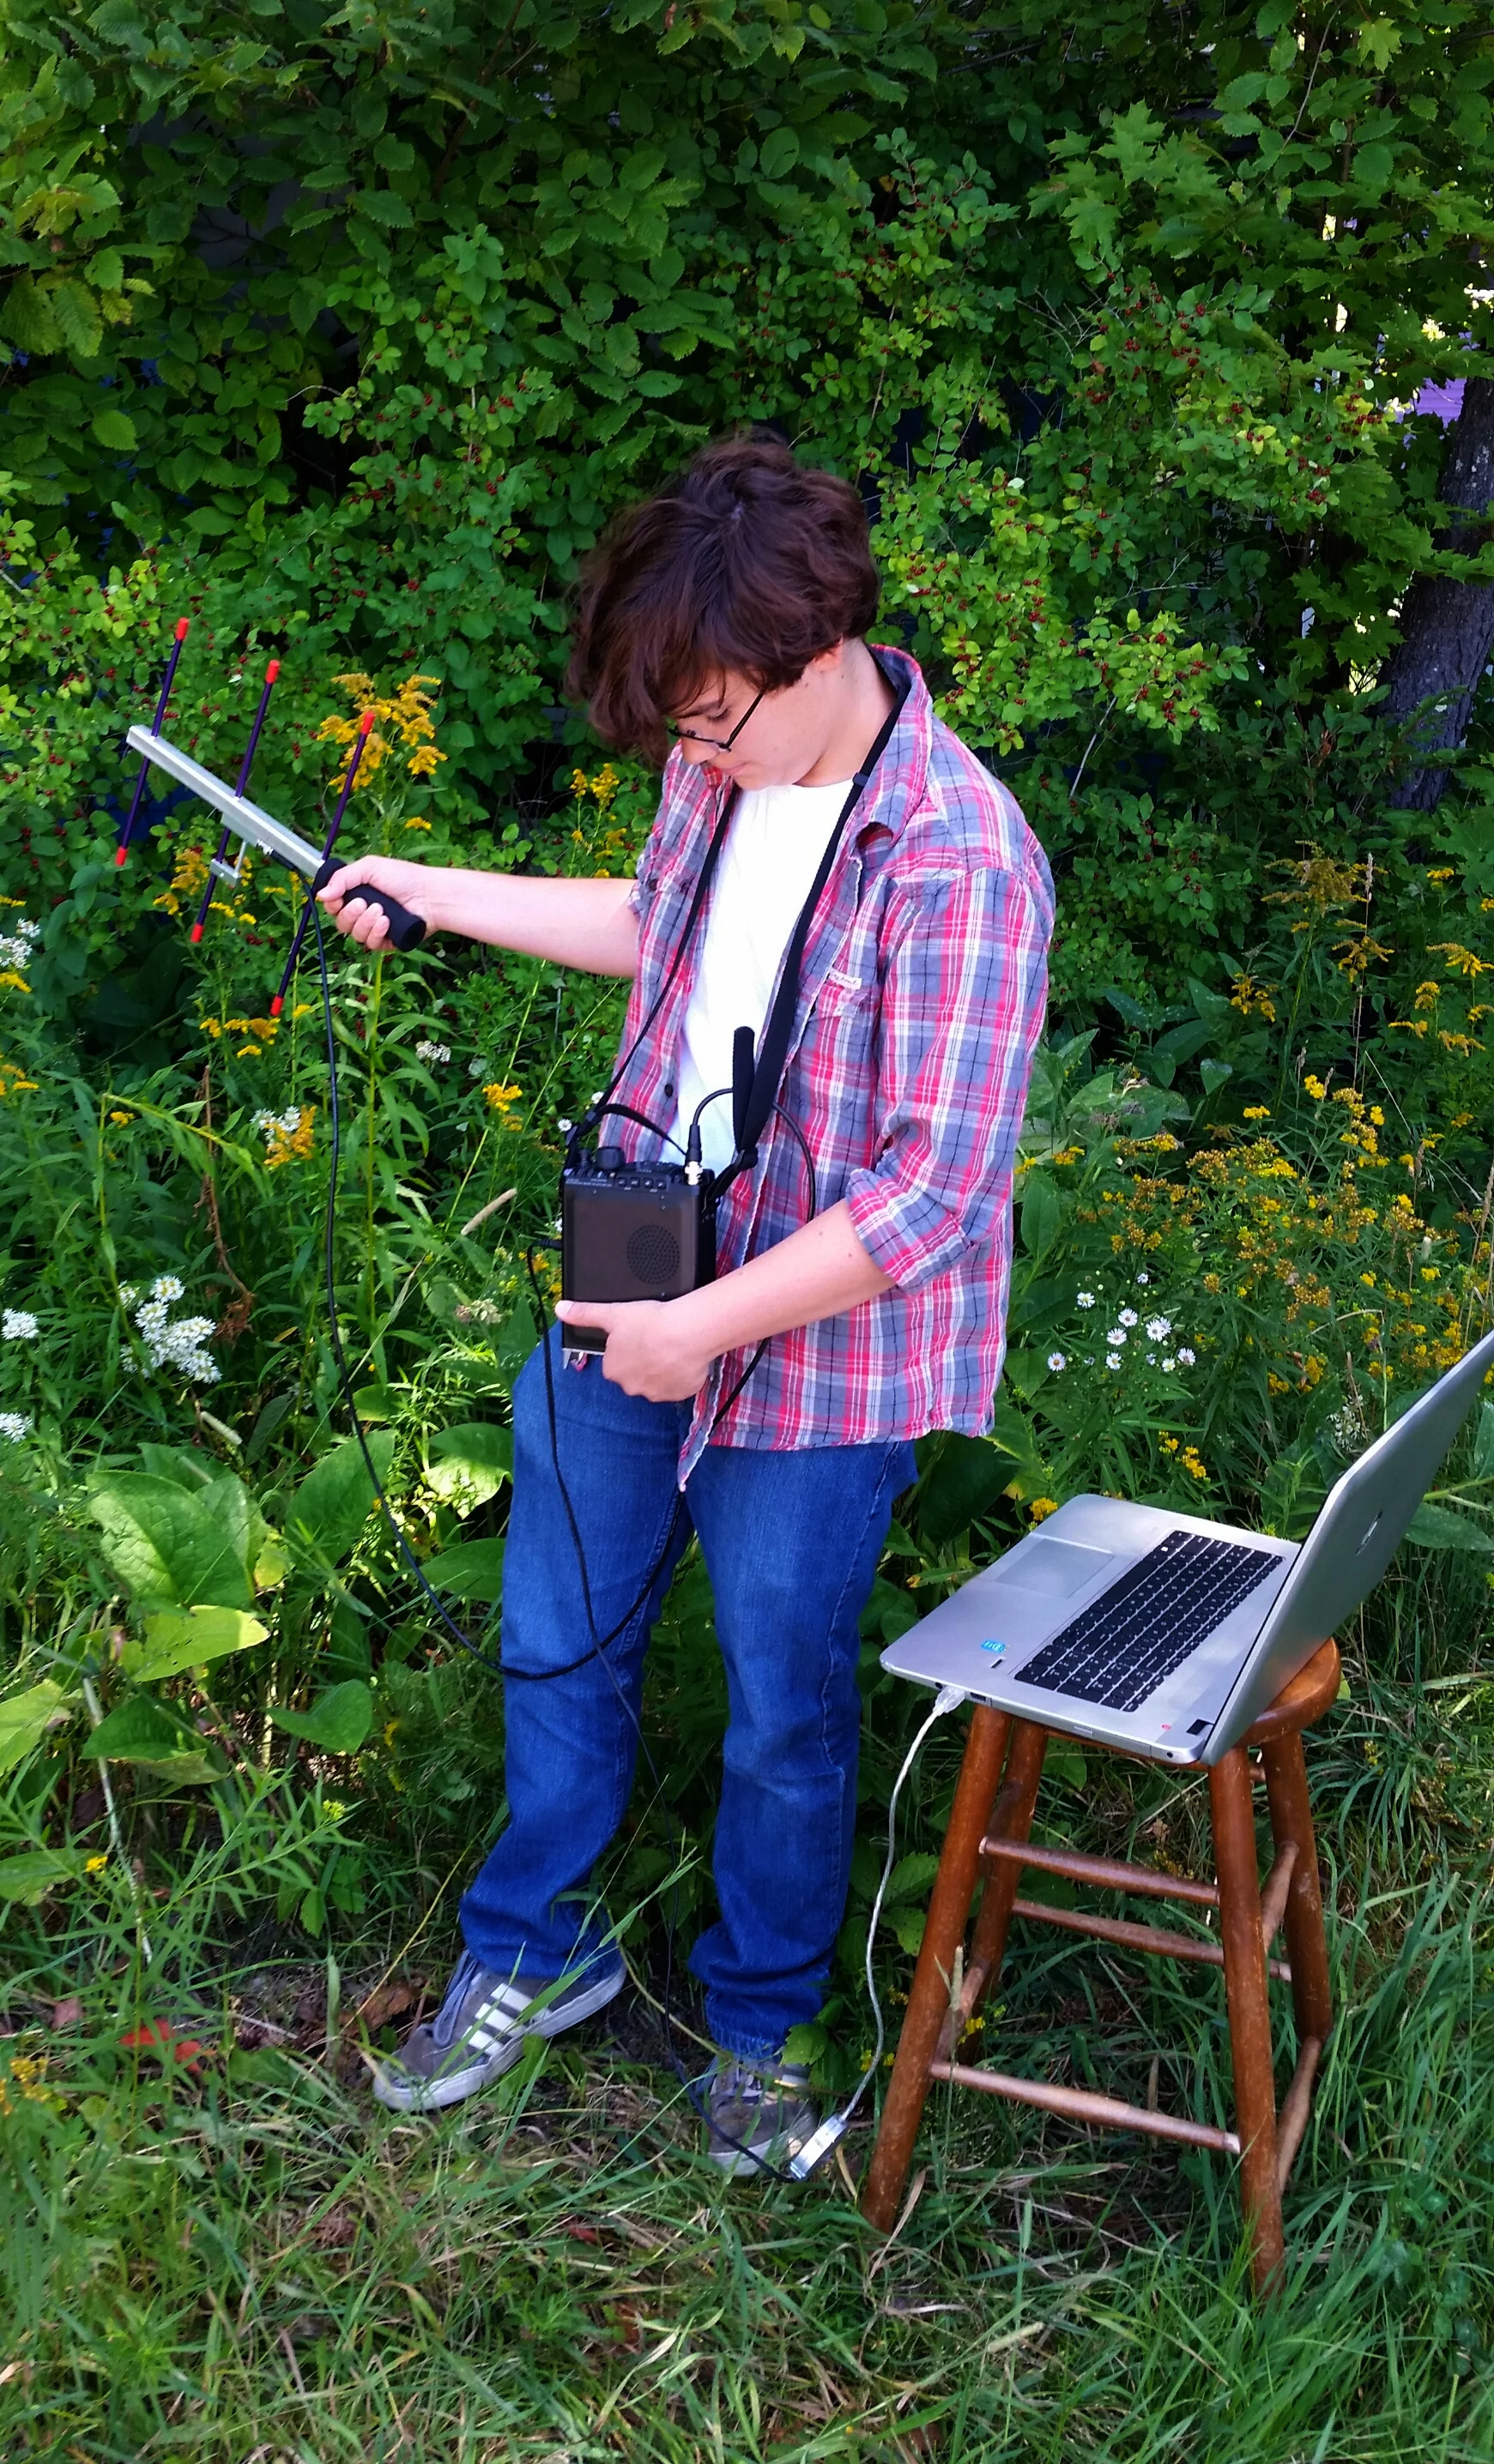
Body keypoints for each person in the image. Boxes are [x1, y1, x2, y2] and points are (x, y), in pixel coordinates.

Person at [318, 436, 1054, 2173]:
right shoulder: (720, 773)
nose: (681, 751)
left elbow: (933, 1196)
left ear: (817, 660)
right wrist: (431, 891)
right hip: (638, 1262)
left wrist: (703, 1329)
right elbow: (656, 925)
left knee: (786, 1703)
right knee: (559, 1624)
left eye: (706, 716)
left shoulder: (961, 858)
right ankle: (533, 1950)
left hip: (823, 1349)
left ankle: (755, 2025)